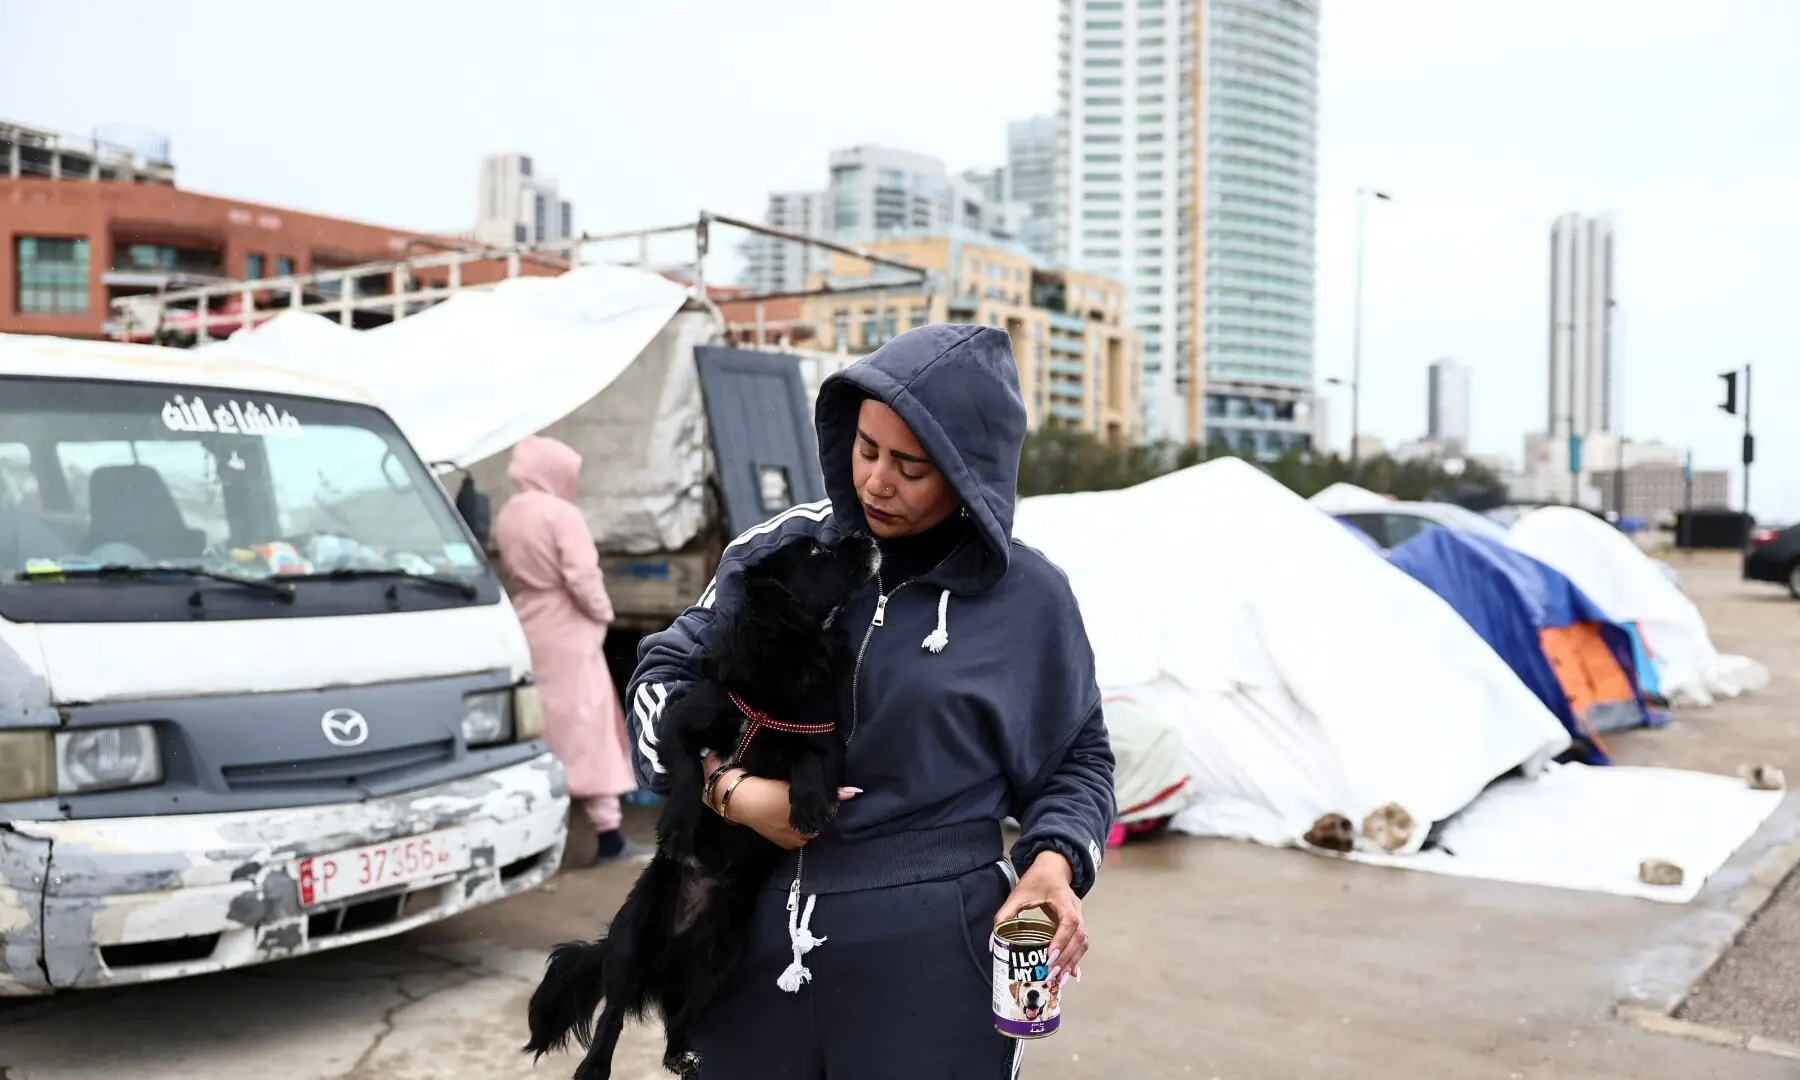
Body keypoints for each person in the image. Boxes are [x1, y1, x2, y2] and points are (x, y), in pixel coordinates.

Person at [627, 324, 1116, 1078]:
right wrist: (733, 793)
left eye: (911, 466)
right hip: (744, 938)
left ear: (967, 470)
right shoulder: (779, 556)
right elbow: (658, 683)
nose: (876, 483)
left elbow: (1078, 761)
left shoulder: (1031, 601)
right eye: (866, 449)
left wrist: (1052, 863)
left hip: (934, 960)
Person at [495, 435, 646, 863]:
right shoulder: (562, 514)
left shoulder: (510, 513)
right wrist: (602, 613)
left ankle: (535, 836)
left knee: (540, 729)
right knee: (589, 727)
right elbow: (582, 577)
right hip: (570, 629)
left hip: (531, 623)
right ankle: (609, 835)